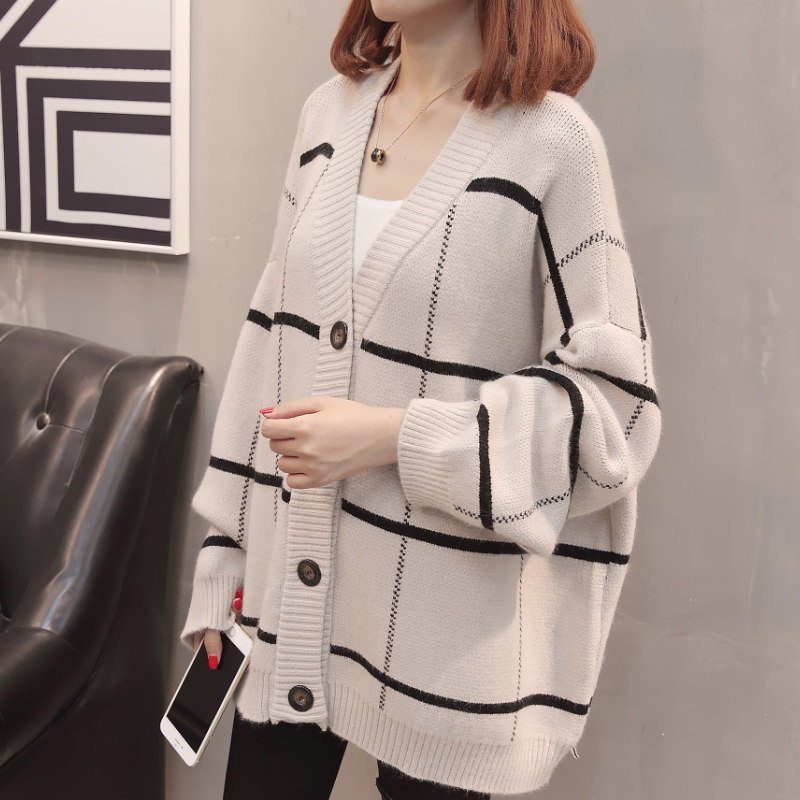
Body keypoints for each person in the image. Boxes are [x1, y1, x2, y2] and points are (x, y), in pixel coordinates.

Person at [179, 0, 662, 797]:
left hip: (449, 662)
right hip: (288, 611)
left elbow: (615, 410)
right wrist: (225, 550)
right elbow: (272, 338)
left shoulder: (553, 144)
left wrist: (395, 436)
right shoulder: (327, 115)